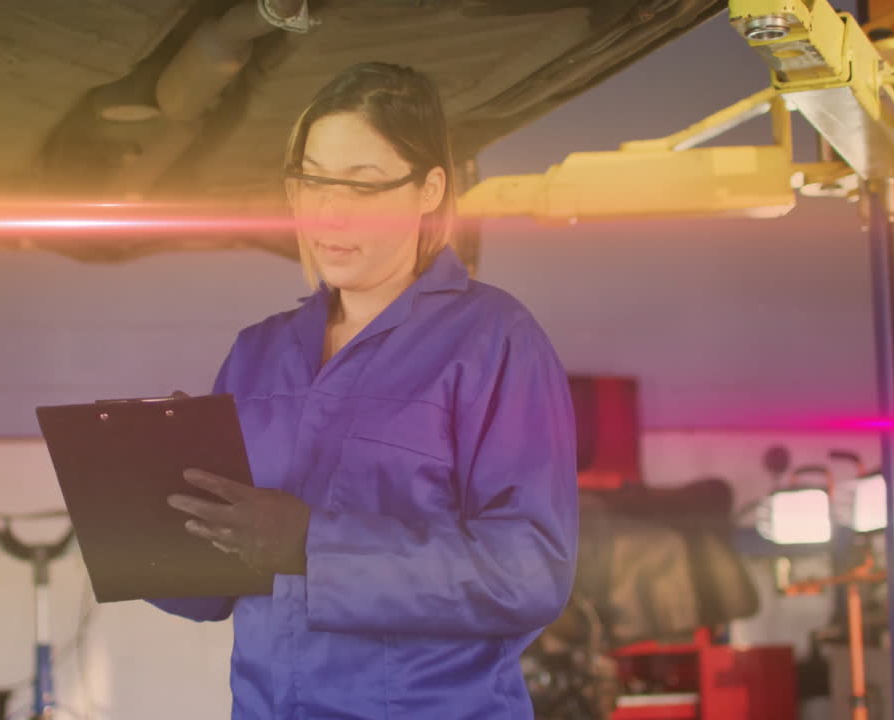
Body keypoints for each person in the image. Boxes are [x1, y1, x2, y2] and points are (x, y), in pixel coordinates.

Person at [154, 61, 579, 719]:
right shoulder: (258, 354)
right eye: (313, 182)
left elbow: (529, 573)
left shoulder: (493, 341)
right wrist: (148, 517)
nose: (329, 213)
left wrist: (310, 546)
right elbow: (210, 592)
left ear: (429, 189)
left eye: (363, 186)